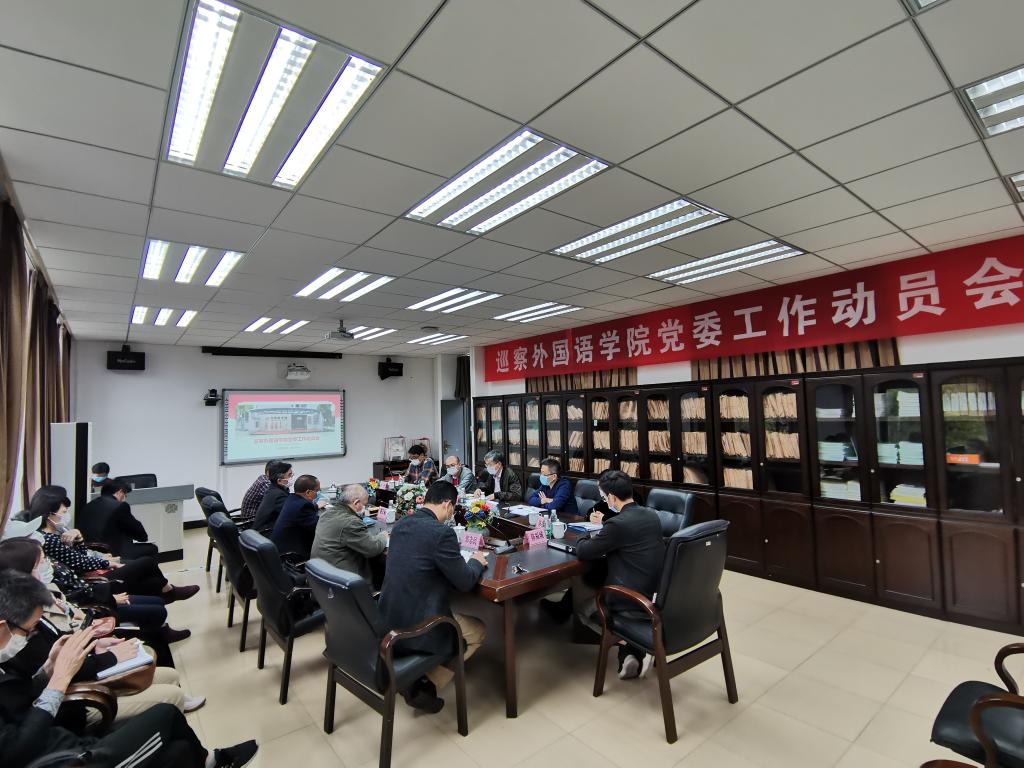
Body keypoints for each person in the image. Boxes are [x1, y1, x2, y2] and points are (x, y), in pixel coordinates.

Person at [0, 569, 258, 768]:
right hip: (69, 759)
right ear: (2, 626)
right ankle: (212, 761)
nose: (32, 635)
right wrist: (59, 678)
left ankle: (208, 760)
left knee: (179, 750)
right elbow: (15, 751)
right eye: (29, 630)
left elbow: (22, 702)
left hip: (61, 739)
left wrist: (48, 669)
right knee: (167, 714)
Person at [0, 537, 206, 718]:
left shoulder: (37, 604)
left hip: (88, 643)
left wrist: (93, 642)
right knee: (158, 651)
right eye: (39, 564)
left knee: (168, 671)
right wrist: (108, 656)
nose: (47, 565)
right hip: (79, 694)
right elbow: (62, 669)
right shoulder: (21, 625)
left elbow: (62, 641)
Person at [377, 482, 487, 714]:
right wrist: (476, 561)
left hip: (388, 617)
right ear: (447, 505)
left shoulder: (401, 524)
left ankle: (417, 677)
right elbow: (465, 581)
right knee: (478, 630)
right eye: (453, 508)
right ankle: (421, 683)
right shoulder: (442, 533)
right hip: (420, 626)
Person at [572, 470, 666, 680]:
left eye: (604, 497)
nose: (605, 501)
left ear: (612, 498)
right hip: (655, 592)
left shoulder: (617, 524)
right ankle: (630, 651)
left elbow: (584, 551)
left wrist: (585, 534)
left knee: (582, 610)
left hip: (629, 598)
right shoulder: (651, 515)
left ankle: (631, 643)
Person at [28, 489, 198, 603]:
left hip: (92, 570)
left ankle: (163, 612)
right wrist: (108, 563)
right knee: (147, 562)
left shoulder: (59, 531)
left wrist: (78, 537)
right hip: (91, 579)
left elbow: (82, 555)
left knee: (152, 581)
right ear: (49, 514)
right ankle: (169, 591)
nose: (66, 515)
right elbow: (80, 562)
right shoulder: (48, 539)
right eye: (64, 512)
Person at [311, 484, 387, 583]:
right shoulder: (351, 522)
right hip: (342, 580)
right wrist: (383, 536)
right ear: (356, 503)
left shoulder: (326, 513)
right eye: (365, 505)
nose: (365, 508)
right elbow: (372, 549)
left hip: (320, 574)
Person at [78, 479, 158, 560]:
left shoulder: (89, 505)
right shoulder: (120, 506)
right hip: (111, 552)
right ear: (120, 492)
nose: (124, 498)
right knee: (152, 548)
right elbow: (141, 535)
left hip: (88, 552)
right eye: (125, 495)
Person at [270, 474, 324, 561]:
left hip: (280, 551)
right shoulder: (303, 506)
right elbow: (319, 527)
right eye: (317, 490)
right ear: (308, 492)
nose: (318, 493)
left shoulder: (292, 499)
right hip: (291, 557)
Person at [252, 462, 293, 535]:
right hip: (266, 534)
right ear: (279, 481)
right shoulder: (278, 495)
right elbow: (291, 514)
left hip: (264, 531)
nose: (292, 477)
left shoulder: (274, 489)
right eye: (289, 475)